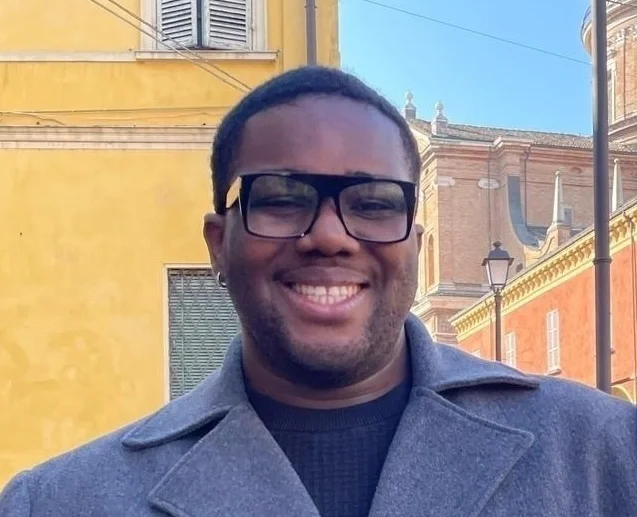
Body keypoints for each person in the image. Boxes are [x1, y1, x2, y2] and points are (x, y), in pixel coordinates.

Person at [1, 66, 636, 517]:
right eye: (281, 199)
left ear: (417, 243)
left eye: (373, 203)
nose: (330, 236)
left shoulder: (601, 455)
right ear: (218, 244)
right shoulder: (56, 503)